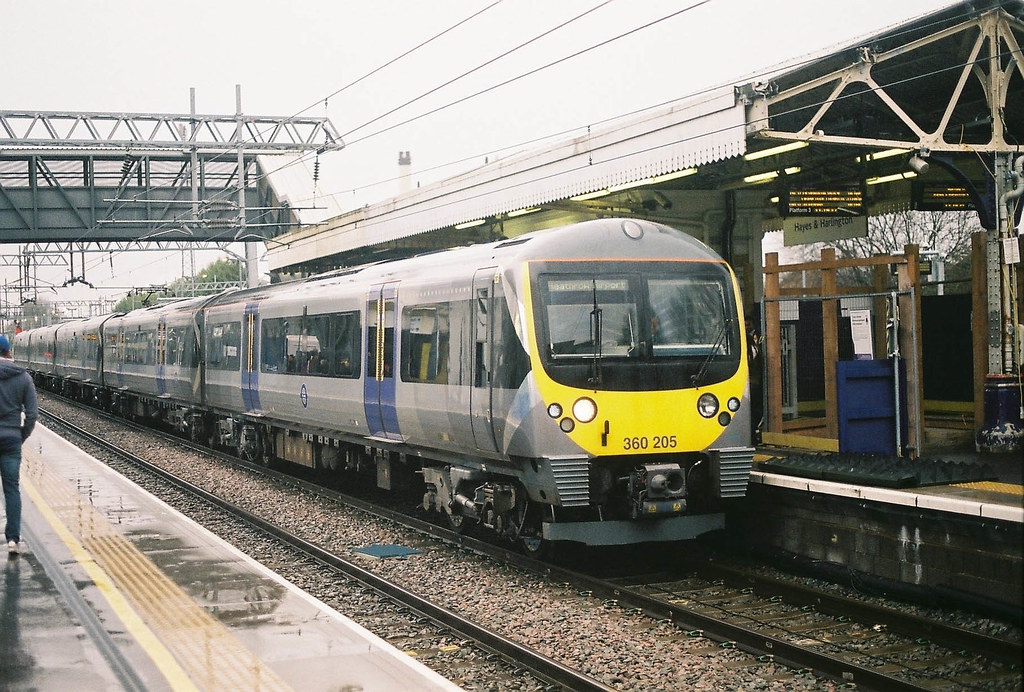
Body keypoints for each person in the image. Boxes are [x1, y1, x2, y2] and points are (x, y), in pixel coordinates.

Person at [0, 334, 38, 555]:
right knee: (12, 489)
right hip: (12, 439)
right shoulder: (23, 378)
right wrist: (20, 435)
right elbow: (32, 415)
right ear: (8, 352)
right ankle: (13, 539)